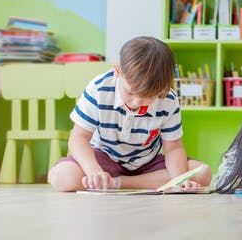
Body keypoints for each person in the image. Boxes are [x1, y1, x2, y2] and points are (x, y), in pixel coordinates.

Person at [49, 36, 211, 191]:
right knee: (64, 177)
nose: (136, 102)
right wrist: (94, 172)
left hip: (147, 163)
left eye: (148, 97)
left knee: (203, 173)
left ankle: (118, 183)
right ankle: (107, 180)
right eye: (130, 93)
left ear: (162, 88)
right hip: (104, 158)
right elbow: (79, 137)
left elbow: (173, 148)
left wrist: (179, 180)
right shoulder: (99, 88)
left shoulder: (168, 99)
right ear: (117, 72)